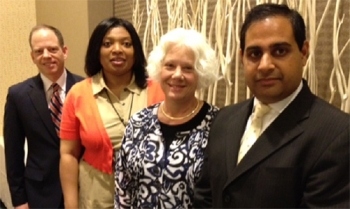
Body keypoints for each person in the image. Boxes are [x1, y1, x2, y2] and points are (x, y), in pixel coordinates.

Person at [193, 3, 350, 208]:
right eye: (255, 54)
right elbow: (205, 197)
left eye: (280, 51)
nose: (265, 65)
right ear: (242, 58)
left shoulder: (337, 134)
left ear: (303, 52)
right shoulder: (224, 119)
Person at [59, 17, 164, 209]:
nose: (117, 49)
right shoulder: (78, 94)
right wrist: (70, 204)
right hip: (97, 197)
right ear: (97, 51)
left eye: (126, 44)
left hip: (149, 195)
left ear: (135, 52)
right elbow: (68, 154)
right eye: (107, 44)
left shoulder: (158, 90)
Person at [115, 28, 220, 209]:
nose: (177, 75)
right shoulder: (139, 122)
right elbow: (123, 190)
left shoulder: (218, 125)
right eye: (170, 66)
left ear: (200, 73)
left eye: (188, 68)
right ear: (159, 69)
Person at [3, 25, 83, 209]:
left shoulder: (85, 88)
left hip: (82, 187)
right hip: (40, 193)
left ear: (65, 51)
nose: (46, 55)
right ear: (32, 57)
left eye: (53, 49)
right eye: (39, 51)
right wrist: (20, 201)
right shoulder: (18, 95)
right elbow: (13, 154)